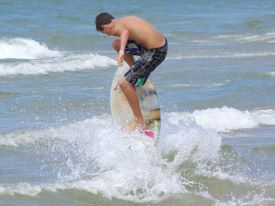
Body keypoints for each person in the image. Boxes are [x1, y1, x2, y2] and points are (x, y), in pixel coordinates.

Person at [95, 13, 168, 137]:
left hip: (155, 53)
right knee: (115, 44)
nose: (107, 34)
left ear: (106, 26)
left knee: (124, 83)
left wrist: (122, 52)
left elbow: (124, 33)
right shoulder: (123, 20)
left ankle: (141, 123)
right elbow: (127, 35)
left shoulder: (120, 27)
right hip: (154, 47)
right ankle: (135, 72)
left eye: (104, 32)